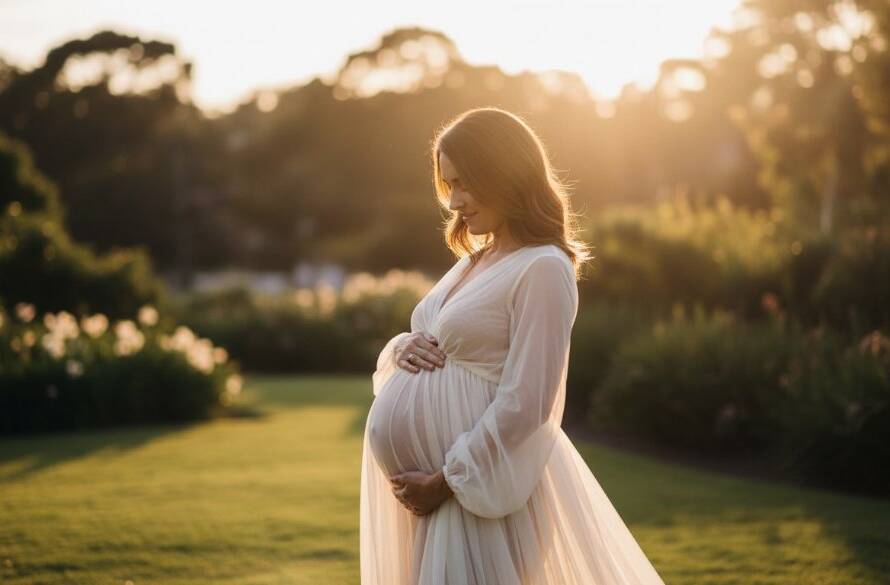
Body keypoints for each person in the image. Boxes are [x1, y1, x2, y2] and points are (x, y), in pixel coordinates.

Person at [360, 106, 667, 584]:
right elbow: (440, 340)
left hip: (476, 491)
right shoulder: (477, 259)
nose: (455, 201)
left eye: (465, 183)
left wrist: (445, 481)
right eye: (449, 186)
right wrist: (402, 347)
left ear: (505, 173)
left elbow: (529, 401)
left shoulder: (543, 266)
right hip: (436, 496)